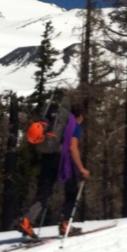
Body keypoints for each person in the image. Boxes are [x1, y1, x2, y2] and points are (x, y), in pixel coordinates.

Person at [15, 102, 90, 239]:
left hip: (47, 158)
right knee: (72, 189)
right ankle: (65, 224)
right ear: (80, 116)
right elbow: (73, 147)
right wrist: (81, 168)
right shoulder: (74, 125)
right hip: (62, 160)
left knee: (44, 192)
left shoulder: (56, 122)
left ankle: (27, 220)